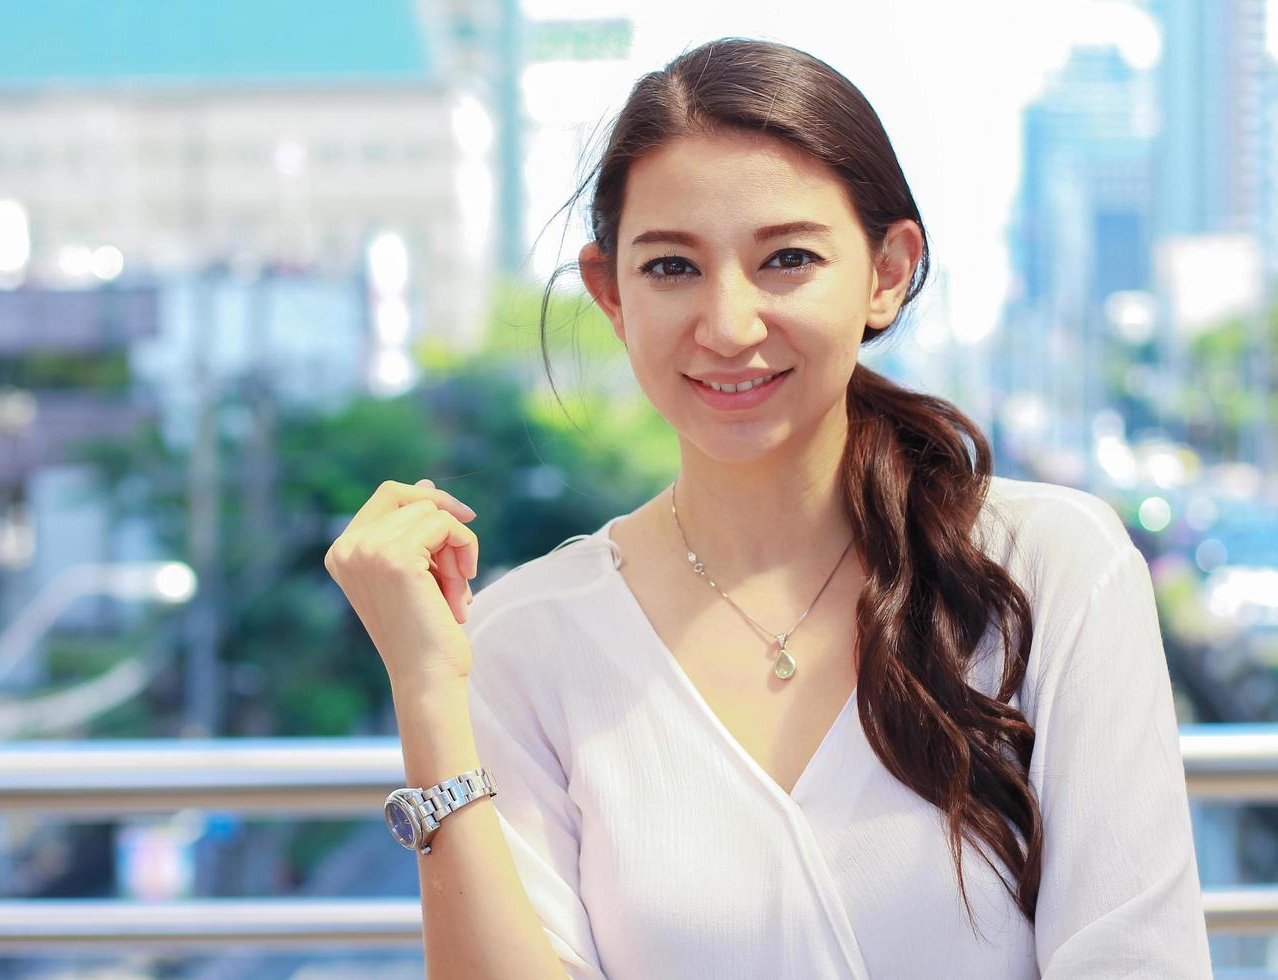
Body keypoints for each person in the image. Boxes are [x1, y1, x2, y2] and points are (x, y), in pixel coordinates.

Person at [326, 36, 1213, 980]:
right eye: (672, 267)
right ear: (609, 292)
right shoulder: (524, 639)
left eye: (786, 258)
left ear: (886, 271)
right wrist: (428, 688)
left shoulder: (1048, 569)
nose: (729, 325)